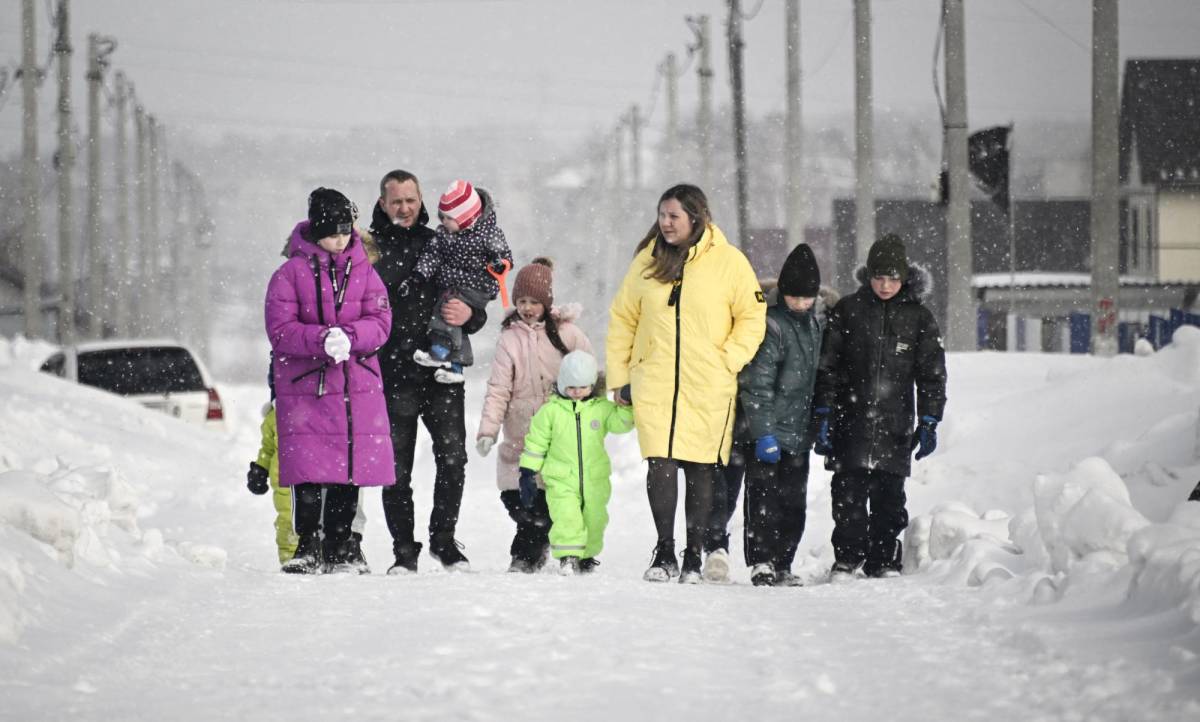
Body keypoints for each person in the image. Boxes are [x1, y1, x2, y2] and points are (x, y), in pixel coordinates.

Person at [607, 184, 766, 584]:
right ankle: (664, 551)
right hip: (655, 380)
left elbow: (752, 317)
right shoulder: (647, 261)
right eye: (662, 214)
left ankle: (693, 553)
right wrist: (622, 377)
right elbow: (623, 318)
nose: (665, 222)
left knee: (700, 467)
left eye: (674, 215)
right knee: (660, 463)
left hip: (707, 384)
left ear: (696, 217)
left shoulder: (730, 262)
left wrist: (726, 360)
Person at [264, 187, 395, 574]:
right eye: (332, 233)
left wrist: (351, 337)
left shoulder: (365, 272)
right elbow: (280, 329)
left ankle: (341, 543)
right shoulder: (289, 274)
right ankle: (307, 543)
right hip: (307, 385)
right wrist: (320, 339)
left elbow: (381, 321)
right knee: (307, 469)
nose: (339, 240)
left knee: (347, 467)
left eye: (344, 231)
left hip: (354, 384)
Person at [370, 170, 487, 574]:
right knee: (395, 468)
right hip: (392, 373)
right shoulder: (368, 248)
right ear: (383, 203)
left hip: (442, 371)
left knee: (453, 459)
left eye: (411, 200)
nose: (404, 208)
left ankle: (443, 541)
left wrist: (472, 314)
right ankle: (404, 551)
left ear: (422, 200)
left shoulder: (442, 242)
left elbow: (475, 289)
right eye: (396, 201)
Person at [812, 233, 947, 581]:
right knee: (848, 496)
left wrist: (930, 420)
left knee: (890, 498)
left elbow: (932, 373)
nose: (885, 285)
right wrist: (824, 414)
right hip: (850, 421)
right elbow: (828, 366)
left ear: (904, 278)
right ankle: (847, 558)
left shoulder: (919, 318)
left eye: (892, 278)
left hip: (895, 423)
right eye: (879, 277)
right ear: (868, 276)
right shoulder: (849, 311)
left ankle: (884, 559)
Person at [475, 258, 593, 573]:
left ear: (547, 302)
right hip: (521, 436)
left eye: (534, 301)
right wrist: (488, 430)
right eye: (522, 301)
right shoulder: (509, 338)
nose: (527, 308)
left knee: (556, 499)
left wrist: (589, 411)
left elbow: (589, 372)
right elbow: (498, 388)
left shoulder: (568, 334)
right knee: (518, 499)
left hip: (560, 437)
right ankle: (536, 542)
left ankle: (533, 553)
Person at [735, 244, 824, 587]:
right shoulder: (771, 326)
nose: (801, 304)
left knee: (794, 504)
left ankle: (784, 561)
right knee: (762, 499)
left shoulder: (814, 326)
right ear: (782, 293)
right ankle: (761, 561)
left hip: (799, 433)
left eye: (807, 298)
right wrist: (763, 433)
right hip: (770, 432)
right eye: (794, 297)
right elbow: (757, 384)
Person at [246, 359, 371, 571]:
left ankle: (331, 551)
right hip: (286, 482)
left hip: (300, 475)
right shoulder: (276, 416)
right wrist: (260, 467)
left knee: (323, 511)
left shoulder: (313, 415)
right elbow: (267, 445)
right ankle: (293, 558)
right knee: (288, 521)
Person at [517, 351, 635, 575]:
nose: (577, 392)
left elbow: (621, 424)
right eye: (571, 387)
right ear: (562, 385)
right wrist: (527, 471)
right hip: (561, 477)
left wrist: (627, 406)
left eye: (582, 387)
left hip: (595, 477)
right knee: (566, 515)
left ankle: (587, 555)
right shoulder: (550, 411)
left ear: (592, 385)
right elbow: (536, 442)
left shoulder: (601, 409)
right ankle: (569, 556)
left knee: (595, 518)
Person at [403, 179, 513, 385]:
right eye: (441, 216)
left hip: (476, 287)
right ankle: (455, 368)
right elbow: (432, 255)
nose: (444, 222)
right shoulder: (443, 235)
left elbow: (504, 254)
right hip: (453, 285)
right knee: (454, 322)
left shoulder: (488, 234)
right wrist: (420, 274)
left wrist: (500, 263)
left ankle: (439, 353)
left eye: (449, 218)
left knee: (444, 313)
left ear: (467, 218)